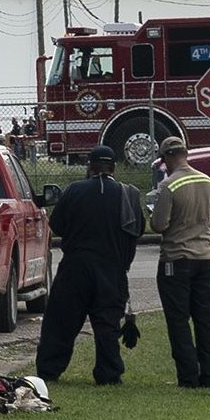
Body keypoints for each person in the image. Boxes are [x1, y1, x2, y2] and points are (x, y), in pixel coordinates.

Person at [35, 143, 141, 386]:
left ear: (90, 166)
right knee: (107, 323)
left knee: (61, 321)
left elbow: (57, 225)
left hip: (76, 266)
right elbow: (135, 232)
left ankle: (49, 370)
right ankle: (109, 373)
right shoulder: (129, 194)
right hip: (112, 267)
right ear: (113, 167)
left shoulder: (74, 191)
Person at [145, 133, 210, 388]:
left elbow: (159, 224)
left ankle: (188, 376)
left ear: (167, 157)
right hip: (205, 256)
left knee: (178, 320)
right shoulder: (206, 180)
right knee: (204, 319)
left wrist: (152, 213)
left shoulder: (169, 185)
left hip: (176, 258)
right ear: (186, 153)